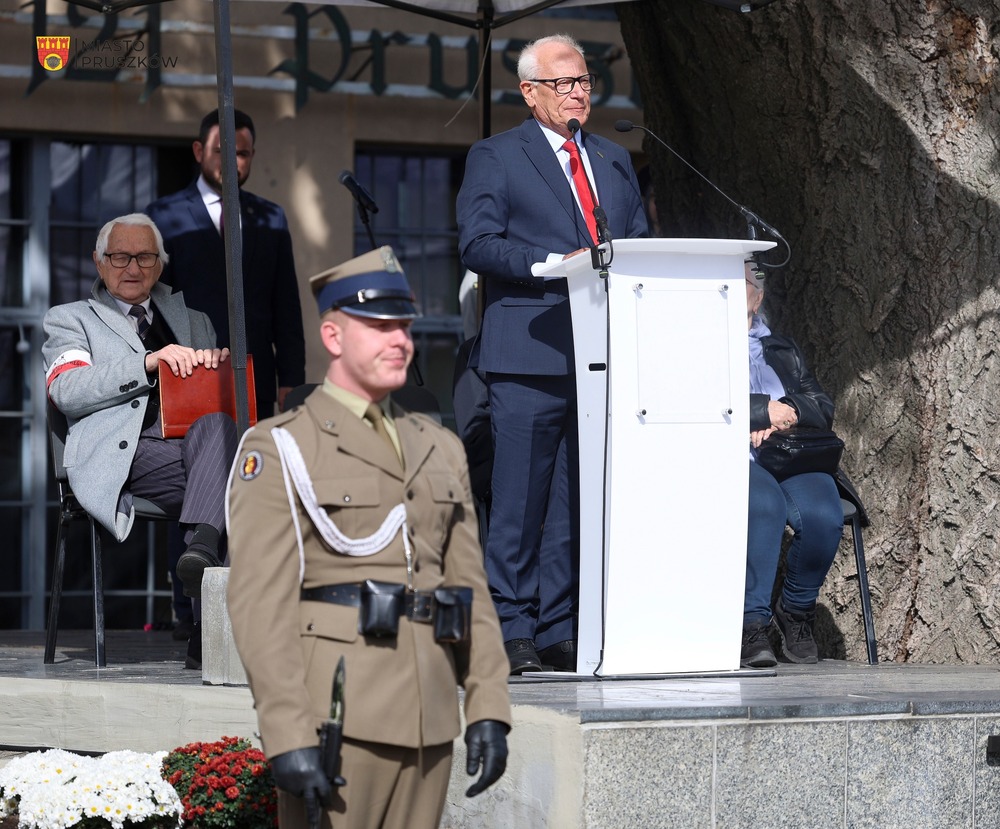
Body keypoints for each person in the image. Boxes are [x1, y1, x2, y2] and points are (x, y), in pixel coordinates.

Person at [226, 247, 512, 829]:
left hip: (430, 720)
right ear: (332, 336)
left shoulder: (439, 446)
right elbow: (261, 605)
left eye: (403, 324)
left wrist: (488, 706)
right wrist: (285, 733)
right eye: (378, 326)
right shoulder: (280, 446)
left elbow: (469, 591)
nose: (399, 339)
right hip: (338, 722)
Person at [456, 33, 648, 673]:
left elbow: (637, 245)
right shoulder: (497, 156)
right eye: (564, 83)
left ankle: (560, 625)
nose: (579, 93)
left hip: (602, 353)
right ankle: (510, 626)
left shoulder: (614, 160)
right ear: (530, 91)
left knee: (574, 499)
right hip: (527, 350)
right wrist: (545, 266)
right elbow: (478, 244)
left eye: (585, 81)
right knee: (519, 500)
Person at [41, 213, 238, 664]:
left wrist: (219, 373)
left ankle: (202, 553)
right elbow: (66, 391)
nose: (132, 267)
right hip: (119, 456)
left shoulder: (196, 321)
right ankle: (208, 629)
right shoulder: (70, 320)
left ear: (160, 264)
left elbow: (216, 408)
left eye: (145, 256)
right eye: (119, 256)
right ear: (98, 261)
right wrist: (148, 363)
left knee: (225, 444)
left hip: (193, 450)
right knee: (241, 489)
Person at [145, 108, 305, 418]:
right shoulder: (163, 215)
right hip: (189, 376)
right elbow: (153, 302)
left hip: (256, 380)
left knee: (255, 466)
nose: (231, 162)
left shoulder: (271, 217)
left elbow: (286, 305)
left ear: (252, 156)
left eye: (241, 154)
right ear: (198, 151)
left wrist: (292, 379)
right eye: (220, 151)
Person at [742, 261, 844, 667]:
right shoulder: (697, 345)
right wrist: (758, 412)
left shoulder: (781, 348)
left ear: (758, 296)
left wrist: (787, 410)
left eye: (745, 282)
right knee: (764, 508)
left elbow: (822, 405)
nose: (734, 290)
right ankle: (751, 624)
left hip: (790, 453)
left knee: (824, 514)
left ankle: (796, 611)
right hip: (732, 457)